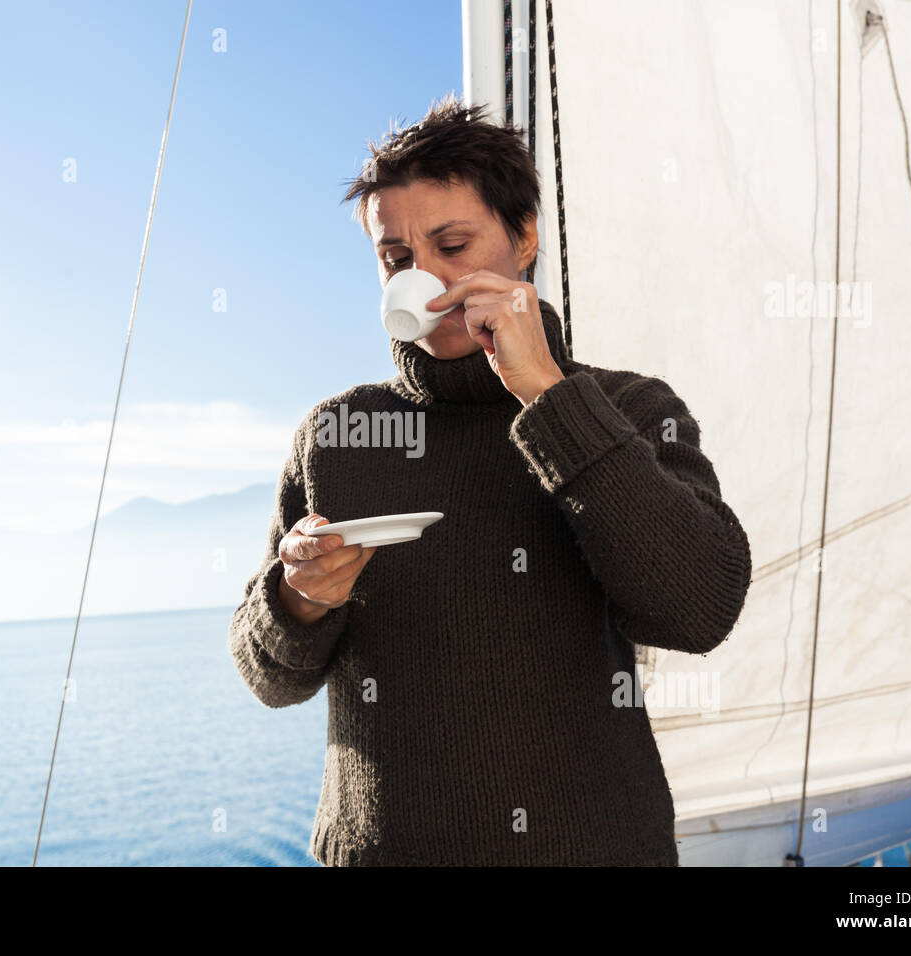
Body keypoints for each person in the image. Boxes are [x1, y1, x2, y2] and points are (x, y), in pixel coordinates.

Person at [227, 93, 752, 866]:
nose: (425, 278)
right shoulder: (336, 436)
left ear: (525, 237)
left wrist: (547, 394)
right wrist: (300, 599)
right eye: (397, 259)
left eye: (452, 244)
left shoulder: (629, 408)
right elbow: (268, 676)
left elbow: (699, 608)